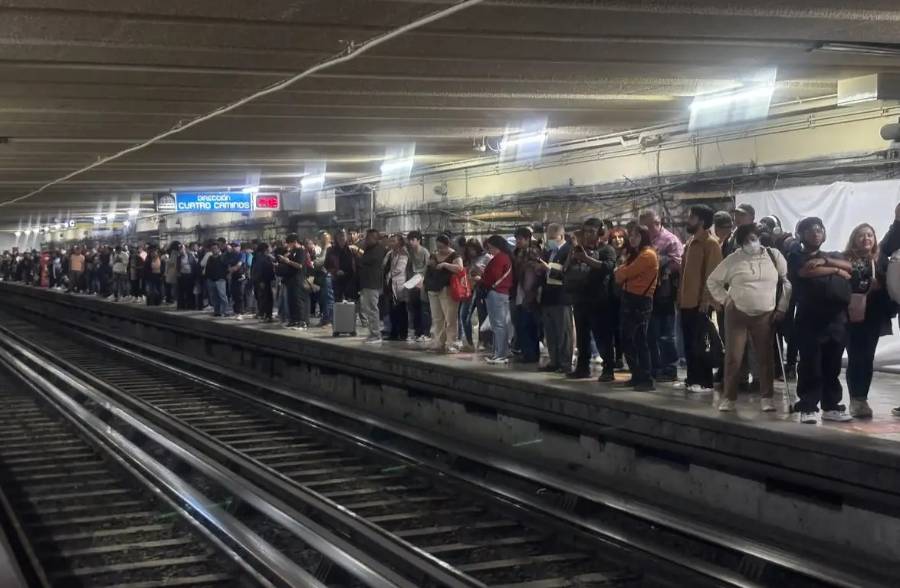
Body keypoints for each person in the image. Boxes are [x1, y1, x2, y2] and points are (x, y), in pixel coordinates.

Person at [707, 224, 792, 412]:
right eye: (745, 241)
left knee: (765, 357)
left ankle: (767, 398)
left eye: (752, 239)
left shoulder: (774, 256)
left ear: (759, 238)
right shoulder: (733, 259)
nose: (750, 244)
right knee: (734, 357)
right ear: (740, 244)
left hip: (765, 313)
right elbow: (713, 281)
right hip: (737, 313)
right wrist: (725, 300)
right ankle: (729, 397)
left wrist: (782, 308)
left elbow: (786, 282)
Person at [787, 217, 853, 424]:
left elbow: (849, 266)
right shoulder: (796, 256)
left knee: (832, 365)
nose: (816, 233)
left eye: (819, 229)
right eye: (810, 230)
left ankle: (831, 405)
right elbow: (806, 271)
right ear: (801, 235)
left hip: (836, 319)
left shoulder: (832, 255)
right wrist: (836, 270)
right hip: (810, 319)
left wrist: (826, 262)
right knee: (810, 365)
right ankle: (807, 406)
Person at [843, 223, 892, 418]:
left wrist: (880, 285)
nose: (866, 239)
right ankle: (855, 399)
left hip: (873, 315)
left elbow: (891, 284)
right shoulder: (845, 258)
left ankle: (862, 398)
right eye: (862, 235)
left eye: (870, 235)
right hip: (852, 316)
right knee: (855, 357)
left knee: (867, 358)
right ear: (854, 238)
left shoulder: (881, 259)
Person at [678, 205, 723, 393]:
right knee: (689, 343)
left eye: (692, 217)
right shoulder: (690, 242)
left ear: (702, 221)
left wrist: (706, 300)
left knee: (701, 343)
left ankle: (704, 381)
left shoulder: (710, 244)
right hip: (686, 301)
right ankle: (692, 378)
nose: (688, 220)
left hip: (699, 302)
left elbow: (712, 275)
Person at [565, 218, 617, 381]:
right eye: (585, 232)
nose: (588, 235)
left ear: (600, 232)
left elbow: (608, 267)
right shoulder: (580, 249)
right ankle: (582, 368)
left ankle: (608, 369)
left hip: (600, 300)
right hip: (580, 298)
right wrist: (573, 256)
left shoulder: (607, 249)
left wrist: (586, 258)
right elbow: (566, 270)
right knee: (582, 337)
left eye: (592, 232)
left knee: (602, 337)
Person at [639, 210, 683, 382]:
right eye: (644, 227)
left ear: (658, 223)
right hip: (645, 293)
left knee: (666, 335)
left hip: (664, 294)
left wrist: (659, 264)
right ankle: (655, 368)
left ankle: (670, 369)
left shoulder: (670, 240)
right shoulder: (643, 240)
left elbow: (678, 262)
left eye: (650, 226)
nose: (648, 230)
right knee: (650, 334)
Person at [614, 224, 659, 391]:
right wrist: (621, 270)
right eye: (631, 235)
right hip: (630, 299)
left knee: (639, 340)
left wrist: (621, 270)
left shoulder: (647, 255)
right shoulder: (636, 254)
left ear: (644, 237)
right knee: (628, 339)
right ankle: (637, 375)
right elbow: (621, 272)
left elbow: (623, 273)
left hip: (640, 301)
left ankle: (646, 378)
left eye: (636, 236)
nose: (632, 239)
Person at [536, 223, 573, 373]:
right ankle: (554, 360)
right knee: (550, 332)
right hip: (548, 296)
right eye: (548, 237)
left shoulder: (568, 251)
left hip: (561, 297)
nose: (550, 240)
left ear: (561, 236)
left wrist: (549, 269)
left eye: (553, 237)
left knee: (563, 332)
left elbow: (567, 274)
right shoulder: (549, 252)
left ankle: (565, 363)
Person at [424, 234, 464, 353]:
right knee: (437, 317)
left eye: (442, 247)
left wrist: (445, 265)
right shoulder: (434, 255)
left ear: (448, 245)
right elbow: (428, 269)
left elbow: (460, 268)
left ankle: (451, 342)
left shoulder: (455, 255)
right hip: (433, 288)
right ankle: (438, 342)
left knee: (450, 317)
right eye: (438, 247)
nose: (440, 250)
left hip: (448, 289)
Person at [478, 235, 514, 364]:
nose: (489, 250)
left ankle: (500, 354)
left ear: (496, 246)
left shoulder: (499, 258)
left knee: (498, 324)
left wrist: (481, 277)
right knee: (500, 324)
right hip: (502, 293)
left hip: (496, 293)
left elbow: (494, 276)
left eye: (490, 247)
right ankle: (499, 352)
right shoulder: (505, 257)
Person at [512, 227, 542, 364]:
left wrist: (530, 295)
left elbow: (533, 275)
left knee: (527, 325)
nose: (518, 242)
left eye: (520, 239)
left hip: (529, 294)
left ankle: (530, 354)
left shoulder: (532, 252)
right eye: (517, 239)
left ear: (528, 239)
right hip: (521, 291)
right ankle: (527, 353)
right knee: (522, 325)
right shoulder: (519, 252)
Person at [357, 229, 388, 344]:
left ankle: (376, 334)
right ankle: (372, 333)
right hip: (366, 282)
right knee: (367, 309)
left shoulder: (379, 249)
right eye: (366, 238)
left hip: (373, 283)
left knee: (372, 309)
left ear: (375, 238)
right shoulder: (369, 249)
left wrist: (360, 256)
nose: (366, 240)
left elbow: (367, 260)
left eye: (369, 238)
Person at [278, 234, 310, 329]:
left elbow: (300, 265)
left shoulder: (301, 251)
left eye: (289, 243)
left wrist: (287, 261)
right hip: (290, 280)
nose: (288, 245)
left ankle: (302, 321)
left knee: (298, 300)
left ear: (295, 242)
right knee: (291, 301)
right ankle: (294, 320)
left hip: (298, 279)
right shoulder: (292, 251)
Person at [383, 233, 411, 341]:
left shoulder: (403, 253)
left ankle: (403, 333)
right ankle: (393, 332)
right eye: (390, 241)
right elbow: (384, 265)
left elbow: (400, 268)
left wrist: (390, 273)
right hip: (390, 284)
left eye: (393, 241)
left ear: (399, 242)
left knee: (401, 309)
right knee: (392, 310)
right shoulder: (390, 253)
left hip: (399, 284)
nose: (391, 243)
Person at [406, 230, 431, 342]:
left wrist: (423, 280)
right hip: (413, 281)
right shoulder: (410, 252)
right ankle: (417, 332)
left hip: (422, 281)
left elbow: (428, 267)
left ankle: (426, 333)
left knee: (424, 308)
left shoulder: (425, 252)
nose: (411, 242)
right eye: (409, 240)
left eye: (413, 240)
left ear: (419, 240)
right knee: (414, 307)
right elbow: (409, 267)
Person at [204, 242, 229, 317]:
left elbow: (227, 268)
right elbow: (207, 269)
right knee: (214, 297)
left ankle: (224, 311)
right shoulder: (210, 258)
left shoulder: (223, 257)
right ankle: (217, 311)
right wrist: (207, 278)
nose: (213, 250)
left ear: (218, 249)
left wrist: (225, 276)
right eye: (212, 249)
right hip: (211, 280)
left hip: (220, 280)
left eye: (215, 248)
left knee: (222, 296)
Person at [252, 242, 275, 322]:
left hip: (262, 280)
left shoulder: (259, 257)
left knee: (263, 298)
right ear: (265, 249)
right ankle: (266, 315)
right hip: (264, 280)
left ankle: (264, 314)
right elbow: (261, 270)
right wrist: (261, 280)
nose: (270, 248)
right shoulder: (262, 258)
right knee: (266, 298)